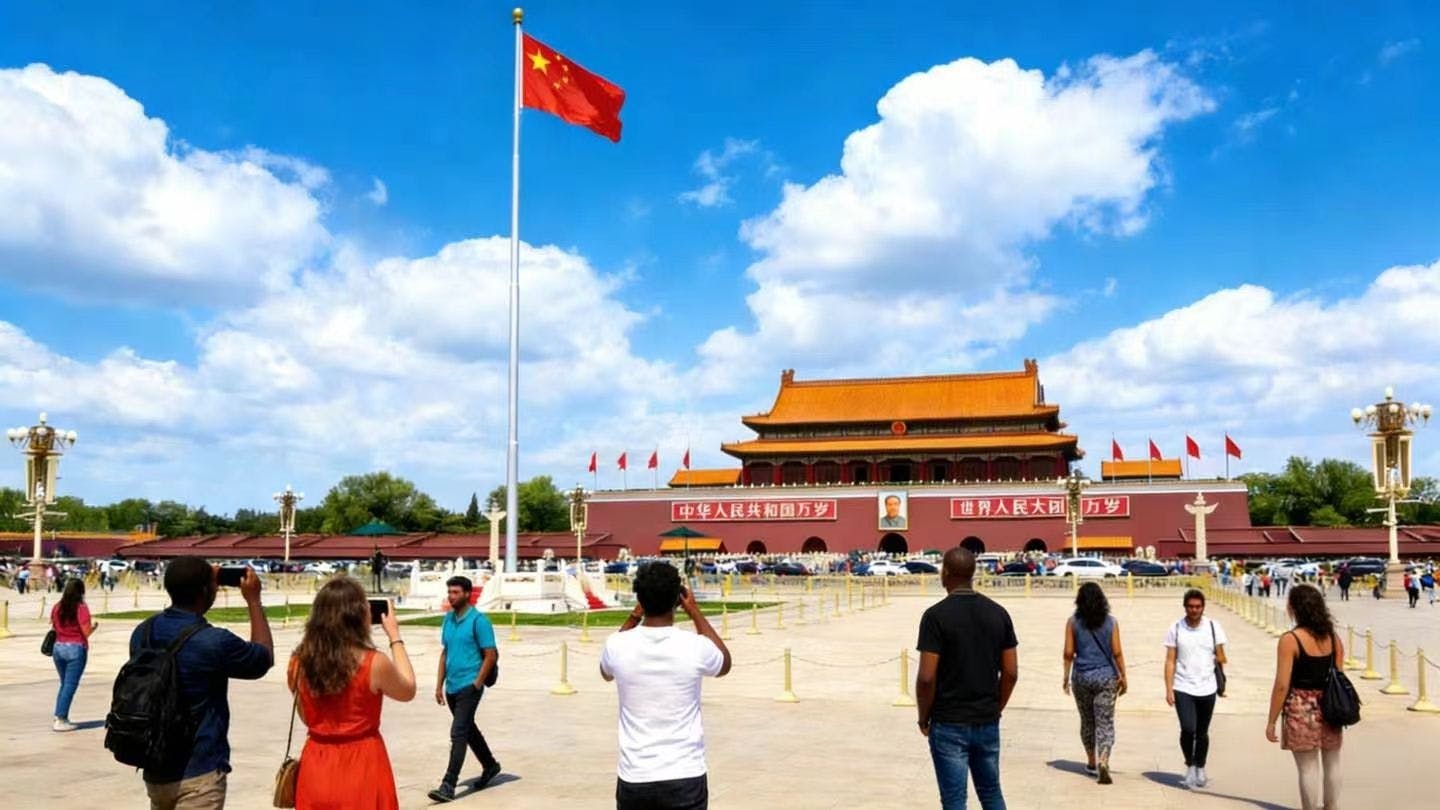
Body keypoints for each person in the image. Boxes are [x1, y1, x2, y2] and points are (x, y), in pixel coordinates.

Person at [130, 557, 274, 809]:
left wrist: (203, 583)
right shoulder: (214, 641)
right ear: (204, 591)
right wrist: (253, 600)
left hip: (155, 766)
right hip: (199, 770)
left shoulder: (143, 632)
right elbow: (263, 658)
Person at [600, 561, 732, 809]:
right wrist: (694, 611)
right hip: (684, 773)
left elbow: (605, 672)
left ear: (639, 597)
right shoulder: (695, 646)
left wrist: (634, 616)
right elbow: (724, 663)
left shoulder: (617, 645)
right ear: (677, 599)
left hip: (635, 774)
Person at [288, 578, 416, 809]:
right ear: (357, 616)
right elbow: (408, 690)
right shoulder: (373, 662)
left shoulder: (298, 662)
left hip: (317, 761)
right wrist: (395, 637)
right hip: (362, 762)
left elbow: (307, 717)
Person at [916, 547, 1019, 810]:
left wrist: (923, 716)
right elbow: (1010, 672)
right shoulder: (998, 613)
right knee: (991, 792)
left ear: (946, 573)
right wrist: (995, 707)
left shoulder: (935, 616)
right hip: (986, 719)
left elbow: (926, 677)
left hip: (949, 721)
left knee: (954, 800)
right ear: (973, 573)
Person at [1266, 584, 1344, 810]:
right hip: (1330, 706)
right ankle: (1331, 807)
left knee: (1307, 767)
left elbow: (1282, 684)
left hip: (1300, 707)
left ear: (1294, 608)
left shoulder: (1291, 639)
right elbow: (1339, 676)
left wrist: (1271, 720)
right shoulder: (1333, 637)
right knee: (1332, 762)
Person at [427, 576, 501, 803]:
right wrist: (439, 684)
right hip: (452, 687)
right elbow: (445, 652)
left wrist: (477, 683)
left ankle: (448, 784)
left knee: (458, 732)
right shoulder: (448, 620)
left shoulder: (479, 621)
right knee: (468, 730)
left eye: (456, 592)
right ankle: (490, 765)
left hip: (470, 685)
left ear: (468, 594)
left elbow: (491, 654)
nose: (451, 596)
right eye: (449, 592)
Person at [1062, 582, 1127, 785]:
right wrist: (1123, 675)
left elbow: (1068, 653)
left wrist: (1065, 677)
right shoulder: (1111, 622)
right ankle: (1103, 760)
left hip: (1081, 677)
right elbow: (1117, 652)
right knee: (1105, 722)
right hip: (1107, 677)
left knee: (1087, 721)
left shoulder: (1072, 622)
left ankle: (1091, 761)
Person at [1163, 588, 1226, 790]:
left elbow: (1222, 656)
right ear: (1185, 607)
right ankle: (1189, 764)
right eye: (1190, 606)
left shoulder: (1213, 627)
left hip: (1207, 686)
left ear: (1203, 607)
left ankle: (1200, 766)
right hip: (1183, 686)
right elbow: (1170, 660)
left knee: (1202, 732)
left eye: (1198, 606)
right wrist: (1168, 688)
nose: (1194, 610)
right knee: (1188, 729)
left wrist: (1219, 660)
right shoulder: (1176, 628)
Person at [50, 578, 98, 732]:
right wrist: (94, 627)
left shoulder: (57, 607)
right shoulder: (81, 608)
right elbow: (86, 631)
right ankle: (61, 718)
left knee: (64, 684)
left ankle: (60, 715)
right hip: (75, 648)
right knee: (70, 685)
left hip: (58, 647)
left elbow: (54, 626)